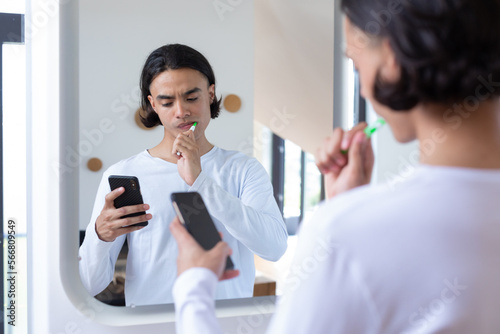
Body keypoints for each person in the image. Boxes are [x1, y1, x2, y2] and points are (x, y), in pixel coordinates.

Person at [171, 0, 500, 332]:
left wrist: (194, 285)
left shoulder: (347, 233)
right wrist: (349, 207)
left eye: (355, 63)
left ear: (391, 58)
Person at [79, 44, 288, 306]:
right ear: (152, 104)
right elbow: (89, 283)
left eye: (191, 98)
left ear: (210, 94)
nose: (181, 111)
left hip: (223, 324)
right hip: (152, 326)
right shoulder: (125, 173)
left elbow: (274, 248)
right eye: (167, 102)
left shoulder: (243, 169)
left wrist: (200, 182)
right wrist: (100, 236)